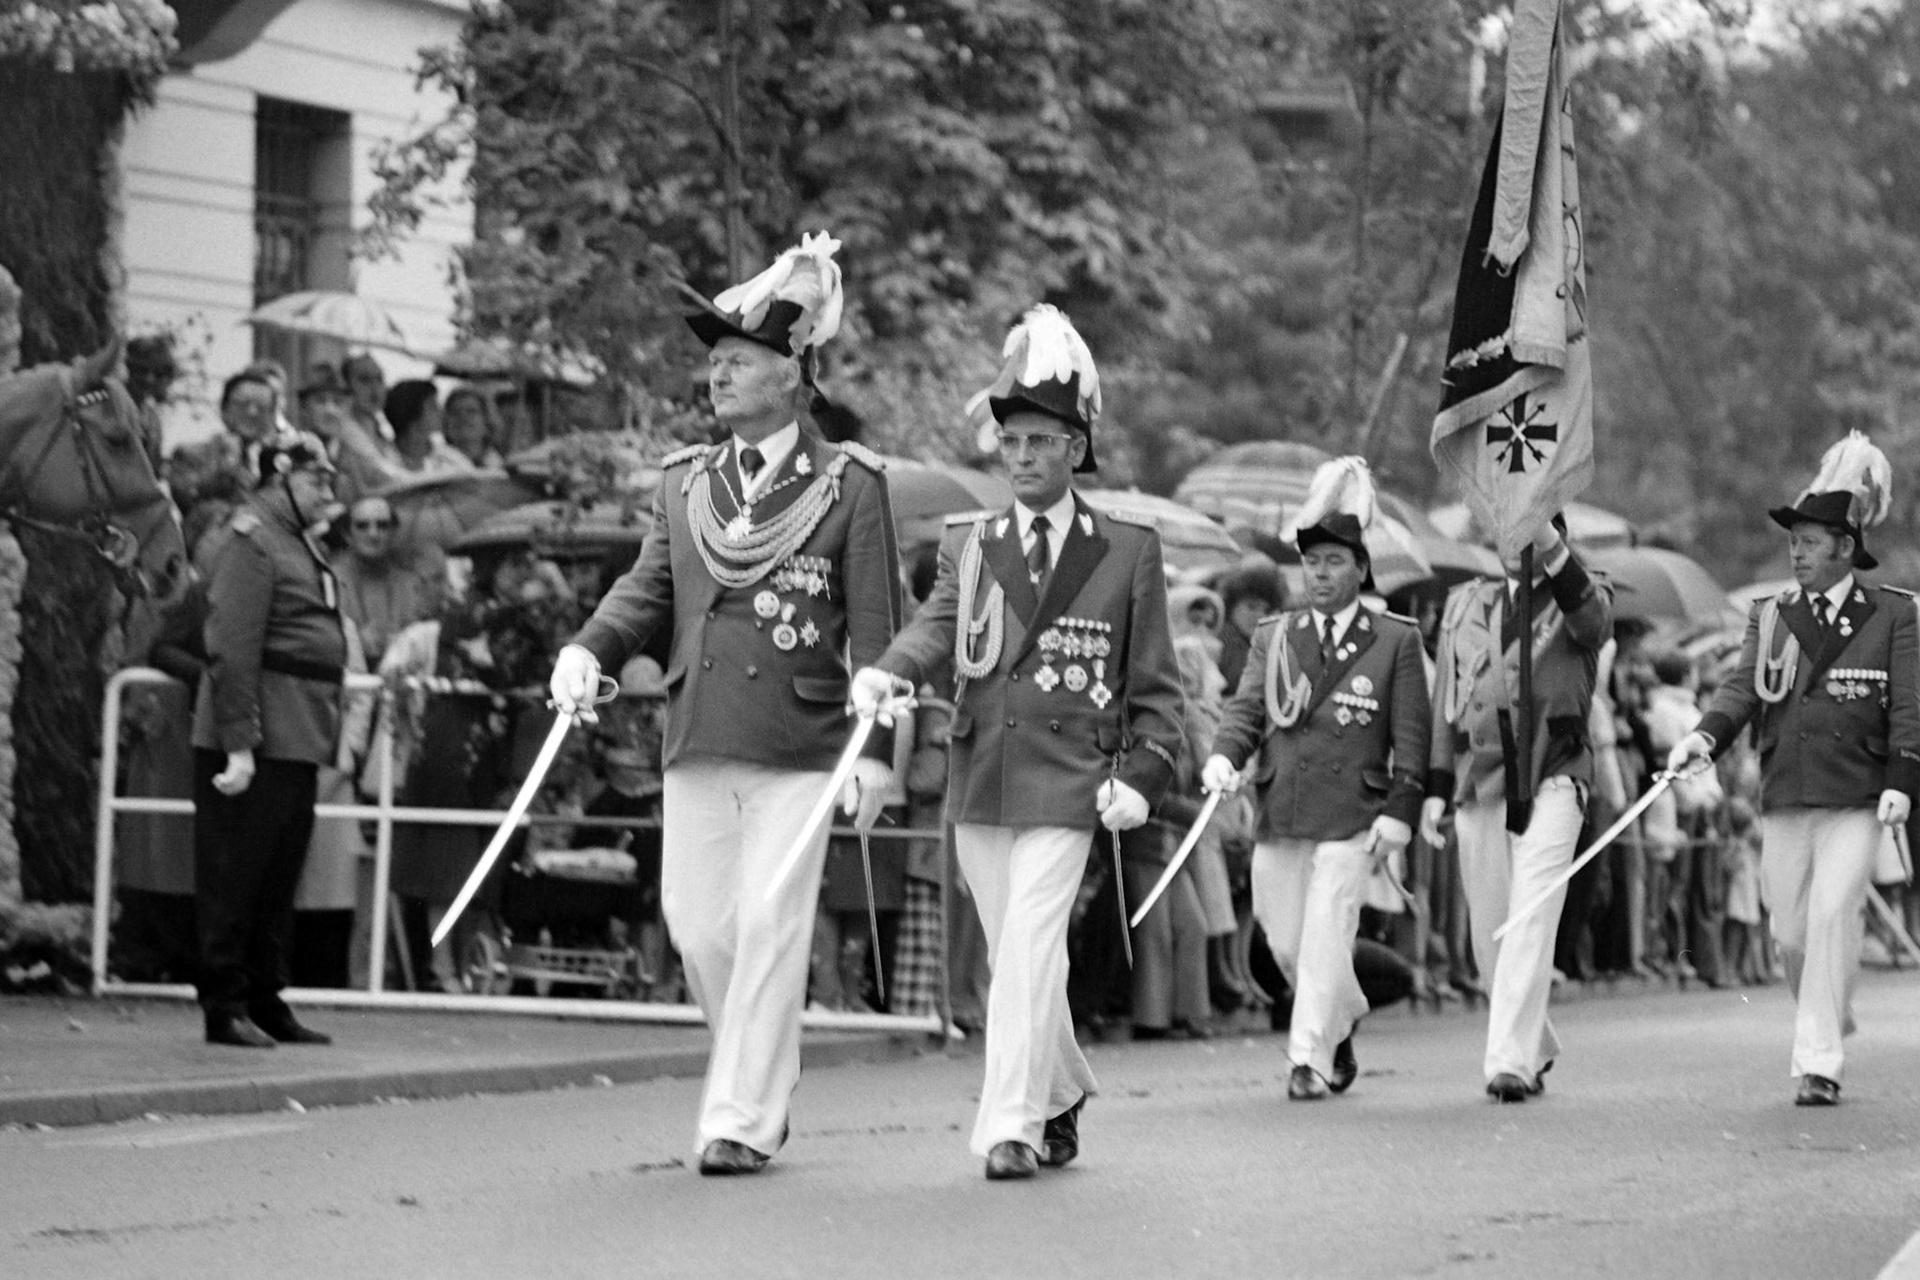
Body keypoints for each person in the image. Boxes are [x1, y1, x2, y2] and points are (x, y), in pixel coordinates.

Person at [549, 232, 901, 1176]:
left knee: (770, 923)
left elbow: (879, 626)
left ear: (794, 374)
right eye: (713, 361)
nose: (719, 375)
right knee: (698, 928)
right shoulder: (684, 483)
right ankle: (763, 1078)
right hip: (698, 730)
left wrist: (877, 755)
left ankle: (740, 1117)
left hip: (803, 737)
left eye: (739, 360)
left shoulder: (851, 485)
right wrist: (587, 650)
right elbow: (646, 591)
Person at [852, 304, 1184, 1182]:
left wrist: (1144, 778)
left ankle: (1010, 1126)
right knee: (1016, 957)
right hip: (982, 776)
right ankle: (1063, 1088)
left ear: (1078, 448)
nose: (1024, 458)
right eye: (1013, 442)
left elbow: (1158, 691)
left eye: (1042, 441)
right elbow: (934, 630)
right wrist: (888, 671)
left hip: (1070, 780)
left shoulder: (1126, 550)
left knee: (1032, 947)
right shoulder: (970, 543)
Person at [1669, 431, 1919, 1106]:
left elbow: (1909, 705)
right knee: (1789, 934)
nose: (1796, 554)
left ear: (1845, 547)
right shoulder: (1771, 615)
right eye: (1793, 542)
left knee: (1834, 912)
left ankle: (1818, 1062)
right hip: (1786, 792)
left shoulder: (1893, 614)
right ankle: (1830, 1014)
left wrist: (1902, 780)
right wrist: (1702, 739)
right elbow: (1741, 690)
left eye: (1809, 542)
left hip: (1858, 795)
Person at [1204, 457, 1430, 1100]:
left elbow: (1411, 738)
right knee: (1285, 943)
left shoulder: (1394, 640)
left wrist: (1401, 809)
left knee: (1329, 928)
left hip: (1352, 811)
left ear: (1361, 568)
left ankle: (1305, 1059)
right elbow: (1247, 709)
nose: (1321, 573)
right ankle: (1343, 1014)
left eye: (1335, 561)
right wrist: (1224, 755)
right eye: (1312, 562)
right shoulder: (1277, 636)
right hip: (1284, 807)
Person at [1421, 514, 1612, 1102]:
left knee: (1530, 913)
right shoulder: (1463, 604)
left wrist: (1552, 550)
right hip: (1481, 776)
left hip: (1553, 769)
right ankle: (1537, 1042)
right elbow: (1445, 703)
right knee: (1490, 933)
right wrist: (1432, 787)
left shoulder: (1581, 589)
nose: (1514, 545)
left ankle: (1508, 1062)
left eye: (1528, 533)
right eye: (1506, 531)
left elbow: (1594, 624)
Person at [190, 438, 347, 1048]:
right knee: (235, 877)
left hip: (296, 736)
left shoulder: (296, 539)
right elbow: (232, 647)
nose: (328, 491)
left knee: (277, 878)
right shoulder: (252, 540)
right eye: (317, 480)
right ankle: (224, 1003)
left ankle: (264, 995)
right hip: (257, 737)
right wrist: (238, 743)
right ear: (280, 477)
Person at [334, 495, 436, 667]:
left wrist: (403, 644)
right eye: (362, 526)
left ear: (394, 532)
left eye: (382, 525)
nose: (373, 534)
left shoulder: (412, 584)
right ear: (347, 534)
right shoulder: (330, 579)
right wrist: (354, 642)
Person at [1217, 558, 1288, 691]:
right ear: (1231, 605)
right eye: (1252, 607)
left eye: (1268, 610)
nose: (1260, 616)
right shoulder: (1215, 645)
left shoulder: (1281, 645)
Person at [385, 380, 470, 474]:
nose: (441, 412)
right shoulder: (382, 458)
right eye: (433, 406)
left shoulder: (451, 460)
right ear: (412, 412)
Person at [443, 385, 503, 468]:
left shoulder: (498, 464)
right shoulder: (435, 465)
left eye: (471, 411)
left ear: (487, 421)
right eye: (455, 412)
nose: (463, 417)